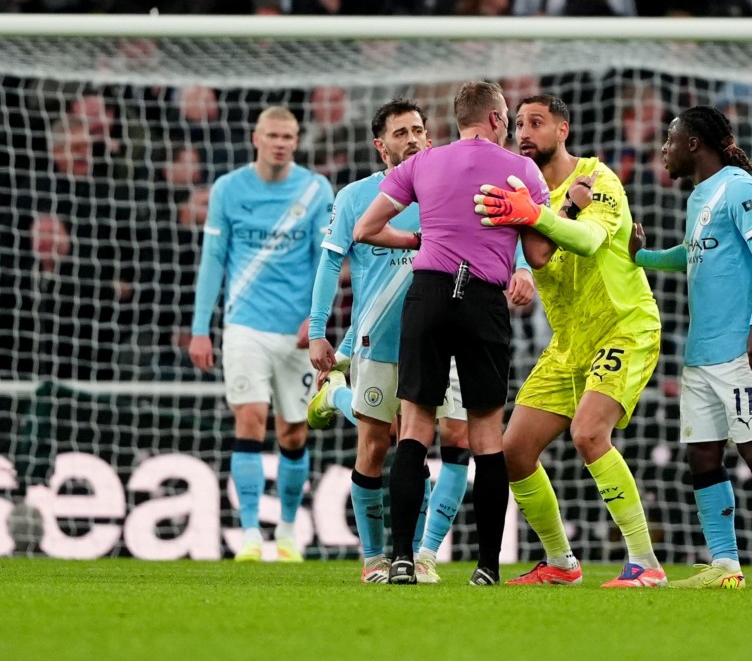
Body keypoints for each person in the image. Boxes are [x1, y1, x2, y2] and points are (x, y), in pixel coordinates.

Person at [307, 98, 537, 584]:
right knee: (378, 442)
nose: (412, 139)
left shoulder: (434, 178)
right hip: (380, 334)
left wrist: (517, 268)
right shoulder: (361, 195)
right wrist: (316, 329)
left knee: (446, 434)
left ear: (433, 134)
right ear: (380, 145)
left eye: (417, 130)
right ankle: (377, 559)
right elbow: (333, 259)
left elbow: (501, 239)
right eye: (400, 133)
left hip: (428, 313)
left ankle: (423, 555)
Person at [625, 105, 752, 593]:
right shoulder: (699, 198)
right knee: (702, 457)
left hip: (745, 348)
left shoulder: (741, 188)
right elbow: (691, 255)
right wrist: (641, 257)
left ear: (694, 144)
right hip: (702, 353)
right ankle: (725, 564)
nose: (664, 150)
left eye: (670, 140)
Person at [472, 94, 667, 587]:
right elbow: (535, 257)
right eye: (519, 123)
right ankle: (561, 562)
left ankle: (646, 563)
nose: (525, 132)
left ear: (563, 128)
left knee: (588, 433)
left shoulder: (597, 177)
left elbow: (589, 240)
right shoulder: (523, 194)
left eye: (536, 122)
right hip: (568, 342)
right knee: (512, 451)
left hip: (623, 324)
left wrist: (538, 214)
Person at [189, 106, 334, 563]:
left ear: (296, 140)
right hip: (244, 325)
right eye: (273, 135)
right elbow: (213, 259)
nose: (281, 143)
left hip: (296, 333)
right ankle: (250, 534)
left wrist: (315, 322)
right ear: (256, 137)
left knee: (293, 433)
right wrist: (200, 329)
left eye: (288, 136)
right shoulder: (228, 189)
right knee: (249, 418)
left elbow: (326, 259)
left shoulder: (315, 189)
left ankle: (288, 531)